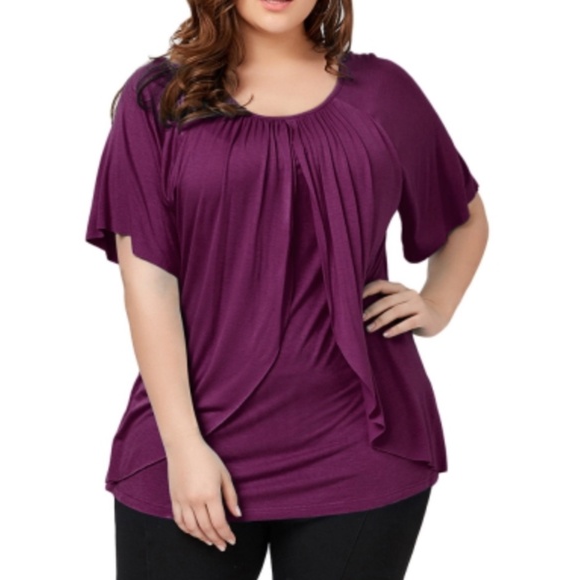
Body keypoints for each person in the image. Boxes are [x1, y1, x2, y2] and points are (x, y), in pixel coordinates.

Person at [85, 0, 489, 578]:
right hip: (193, 435)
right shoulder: (159, 98)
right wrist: (183, 445)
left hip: (360, 441)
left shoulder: (384, 91)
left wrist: (436, 304)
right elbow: (147, 279)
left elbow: (465, 219)